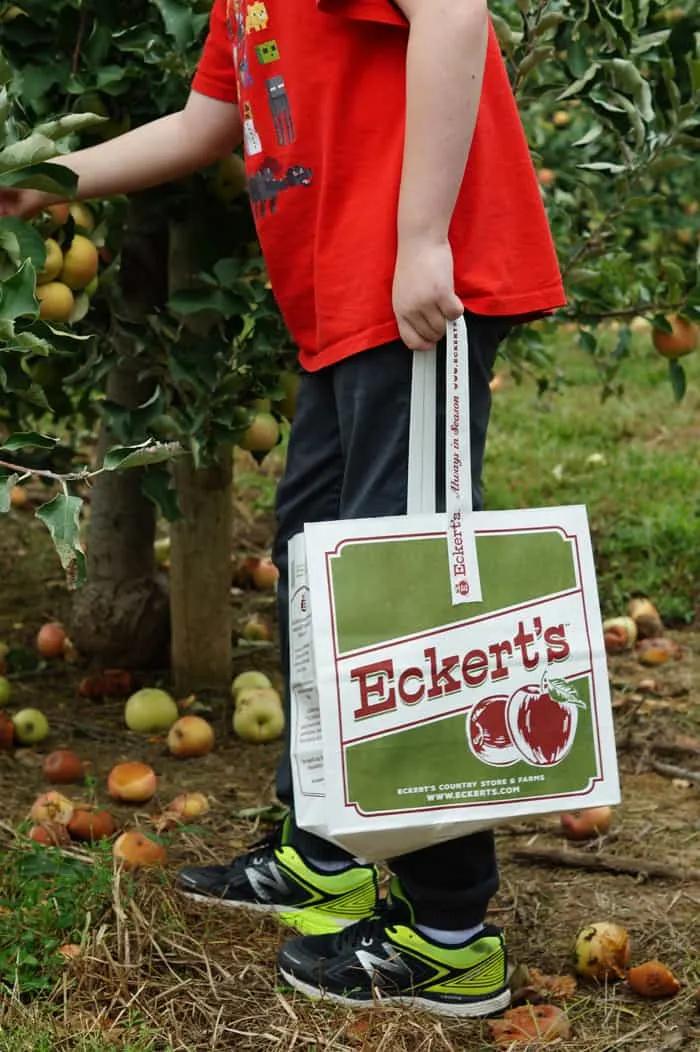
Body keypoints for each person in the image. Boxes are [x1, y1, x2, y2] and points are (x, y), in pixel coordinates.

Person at [1, 0, 565, 1019]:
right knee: (317, 571)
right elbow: (204, 124)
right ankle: (328, 849)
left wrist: (422, 236)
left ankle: (451, 933)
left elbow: (453, 13)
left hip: (407, 294)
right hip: (346, 314)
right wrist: (42, 185)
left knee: (408, 599)